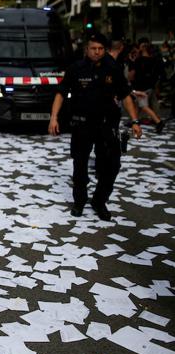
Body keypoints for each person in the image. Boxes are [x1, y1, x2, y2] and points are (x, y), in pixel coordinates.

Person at [48, 33, 142, 221]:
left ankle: (99, 201)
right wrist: (54, 118)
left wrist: (135, 121)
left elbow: (125, 96)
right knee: (80, 166)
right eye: (93, 48)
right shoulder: (76, 69)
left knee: (112, 166)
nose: (97, 52)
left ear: (105, 50)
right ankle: (79, 201)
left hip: (107, 125)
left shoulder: (113, 69)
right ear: (87, 49)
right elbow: (60, 93)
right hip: (82, 124)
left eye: (100, 49)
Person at [128, 38, 165, 133]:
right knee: (138, 106)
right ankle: (134, 121)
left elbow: (132, 76)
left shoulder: (139, 60)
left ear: (142, 48)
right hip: (150, 86)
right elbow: (157, 74)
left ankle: (159, 122)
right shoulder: (154, 60)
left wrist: (132, 61)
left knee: (143, 106)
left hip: (142, 88)